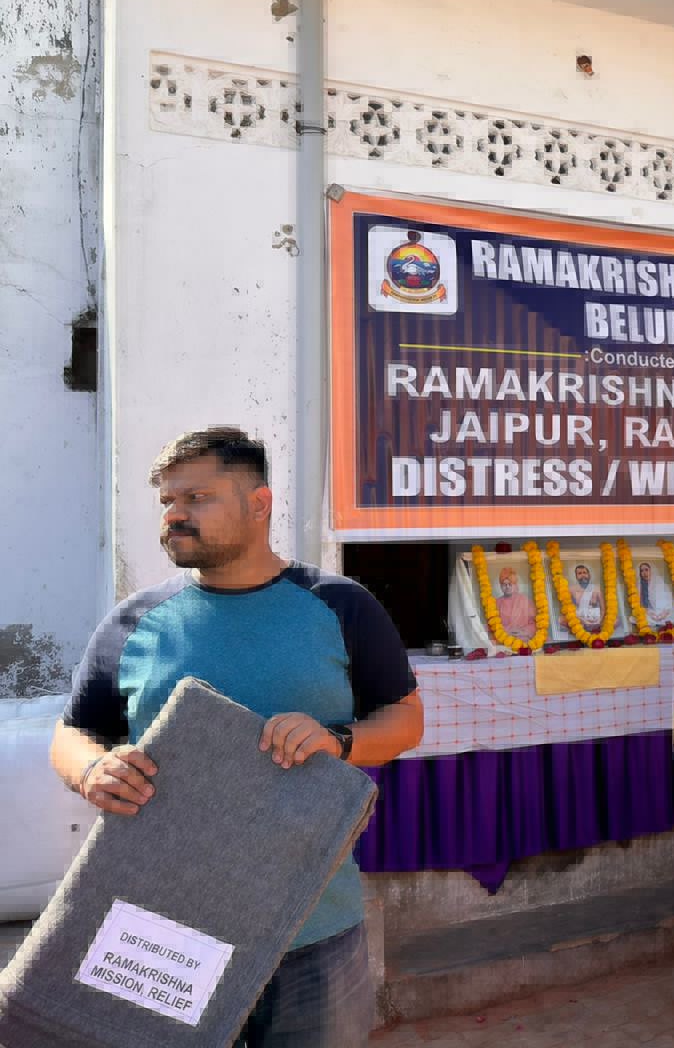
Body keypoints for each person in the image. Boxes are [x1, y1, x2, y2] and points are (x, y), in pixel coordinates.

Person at [48, 427, 424, 1047]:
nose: (174, 515)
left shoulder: (340, 606)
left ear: (259, 503)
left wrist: (337, 739)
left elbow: (406, 719)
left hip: (313, 926)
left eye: (196, 498)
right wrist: (92, 770)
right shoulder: (133, 623)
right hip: (162, 931)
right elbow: (74, 733)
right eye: (168, 502)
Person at [495, 566, 537, 640]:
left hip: (523, 639)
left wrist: (523, 631)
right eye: (504, 584)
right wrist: (507, 631)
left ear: (515, 585)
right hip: (504, 640)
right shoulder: (496, 603)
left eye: (510, 584)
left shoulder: (525, 601)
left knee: (525, 650)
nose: (507, 587)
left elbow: (534, 623)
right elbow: (493, 626)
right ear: (501, 586)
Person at [638, 561, 674, 628]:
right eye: (642, 571)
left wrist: (662, 614)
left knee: (673, 617)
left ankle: (659, 621)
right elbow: (641, 605)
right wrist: (650, 614)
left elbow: (668, 600)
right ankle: (656, 621)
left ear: (651, 570)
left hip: (665, 611)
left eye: (646, 570)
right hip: (651, 611)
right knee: (635, 618)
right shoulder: (641, 585)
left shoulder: (659, 581)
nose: (644, 573)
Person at [571, 562, 604, 631]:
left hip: (595, 620)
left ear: (589, 575)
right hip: (580, 620)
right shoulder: (572, 590)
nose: (582, 575)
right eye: (579, 573)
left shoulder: (596, 589)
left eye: (584, 572)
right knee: (561, 620)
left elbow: (603, 609)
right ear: (576, 576)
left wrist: (599, 621)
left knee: (616, 621)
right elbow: (570, 610)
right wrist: (583, 621)